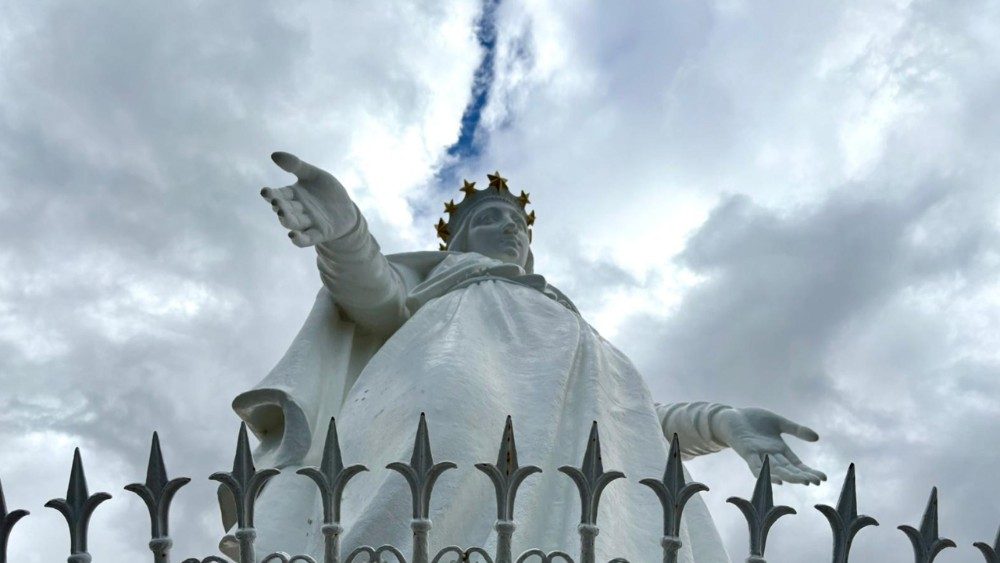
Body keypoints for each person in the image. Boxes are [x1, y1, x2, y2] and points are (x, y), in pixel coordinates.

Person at [225, 152, 827, 562]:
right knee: (425, 509)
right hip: (448, 402)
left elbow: (630, 422)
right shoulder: (446, 287)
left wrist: (721, 421)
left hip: (572, 494)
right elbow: (373, 294)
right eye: (491, 219)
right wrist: (345, 233)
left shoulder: (575, 330)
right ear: (459, 241)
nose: (510, 230)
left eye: (519, 225)